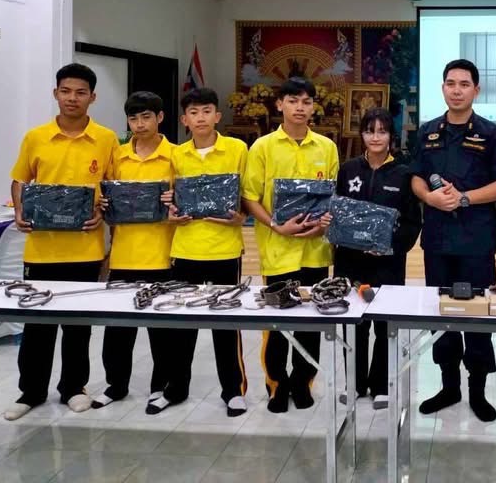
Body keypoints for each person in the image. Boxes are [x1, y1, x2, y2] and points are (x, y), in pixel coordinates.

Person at [5, 63, 119, 421]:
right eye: (66, 91)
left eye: (80, 92)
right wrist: (19, 210)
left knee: (77, 325)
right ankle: (31, 391)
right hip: (42, 248)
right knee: (37, 325)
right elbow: (20, 180)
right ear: (56, 93)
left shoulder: (106, 139)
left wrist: (101, 213)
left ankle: (73, 387)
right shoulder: (35, 137)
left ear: (92, 97)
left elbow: (113, 189)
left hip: (85, 248)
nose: (72, 98)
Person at [410, 59, 496, 422]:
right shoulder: (427, 132)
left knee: (476, 315)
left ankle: (478, 391)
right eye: (451, 83)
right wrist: (429, 197)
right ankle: (449, 387)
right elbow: (416, 177)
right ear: (443, 88)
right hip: (438, 240)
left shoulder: (490, 133)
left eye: (464, 84)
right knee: (443, 315)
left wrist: (466, 198)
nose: (457, 90)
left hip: (476, 240)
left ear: (476, 90)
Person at [241, 77, 339, 413]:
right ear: (279, 104)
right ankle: (277, 385)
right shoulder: (263, 147)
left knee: (311, 321)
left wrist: (321, 225)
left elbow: (332, 197)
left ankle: (303, 382)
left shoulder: (326, 147)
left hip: (315, 250)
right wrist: (275, 225)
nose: (300, 107)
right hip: (277, 249)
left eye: (306, 101)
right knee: (277, 324)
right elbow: (250, 197)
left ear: (314, 106)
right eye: (293, 101)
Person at [153, 87, 249, 417]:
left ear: (217, 116)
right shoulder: (176, 154)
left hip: (225, 250)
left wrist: (241, 216)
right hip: (186, 248)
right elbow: (168, 197)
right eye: (193, 113)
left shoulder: (237, 149)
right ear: (184, 120)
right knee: (182, 324)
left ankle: (233, 391)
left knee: (226, 324)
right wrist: (171, 212)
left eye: (207, 111)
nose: (201, 118)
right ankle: (176, 388)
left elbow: (246, 194)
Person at [327, 107, 422, 410]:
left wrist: (390, 245)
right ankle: (354, 383)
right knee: (353, 322)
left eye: (382, 131)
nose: (376, 137)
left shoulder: (404, 174)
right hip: (350, 262)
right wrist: (333, 225)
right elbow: (337, 212)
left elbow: (412, 222)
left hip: (387, 262)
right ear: (362, 134)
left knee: (384, 324)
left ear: (391, 136)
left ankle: (381, 384)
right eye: (370, 130)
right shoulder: (348, 170)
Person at [92, 91, 175, 410]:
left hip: (162, 254)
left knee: (162, 328)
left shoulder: (176, 155)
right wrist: (103, 204)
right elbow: (106, 200)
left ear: (160, 118)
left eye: (146, 117)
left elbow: (183, 203)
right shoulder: (117, 156)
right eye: (133, 118)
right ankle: (116, 385)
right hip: (124, 254)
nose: (140, 124)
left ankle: (161, 385)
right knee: (118, 327)